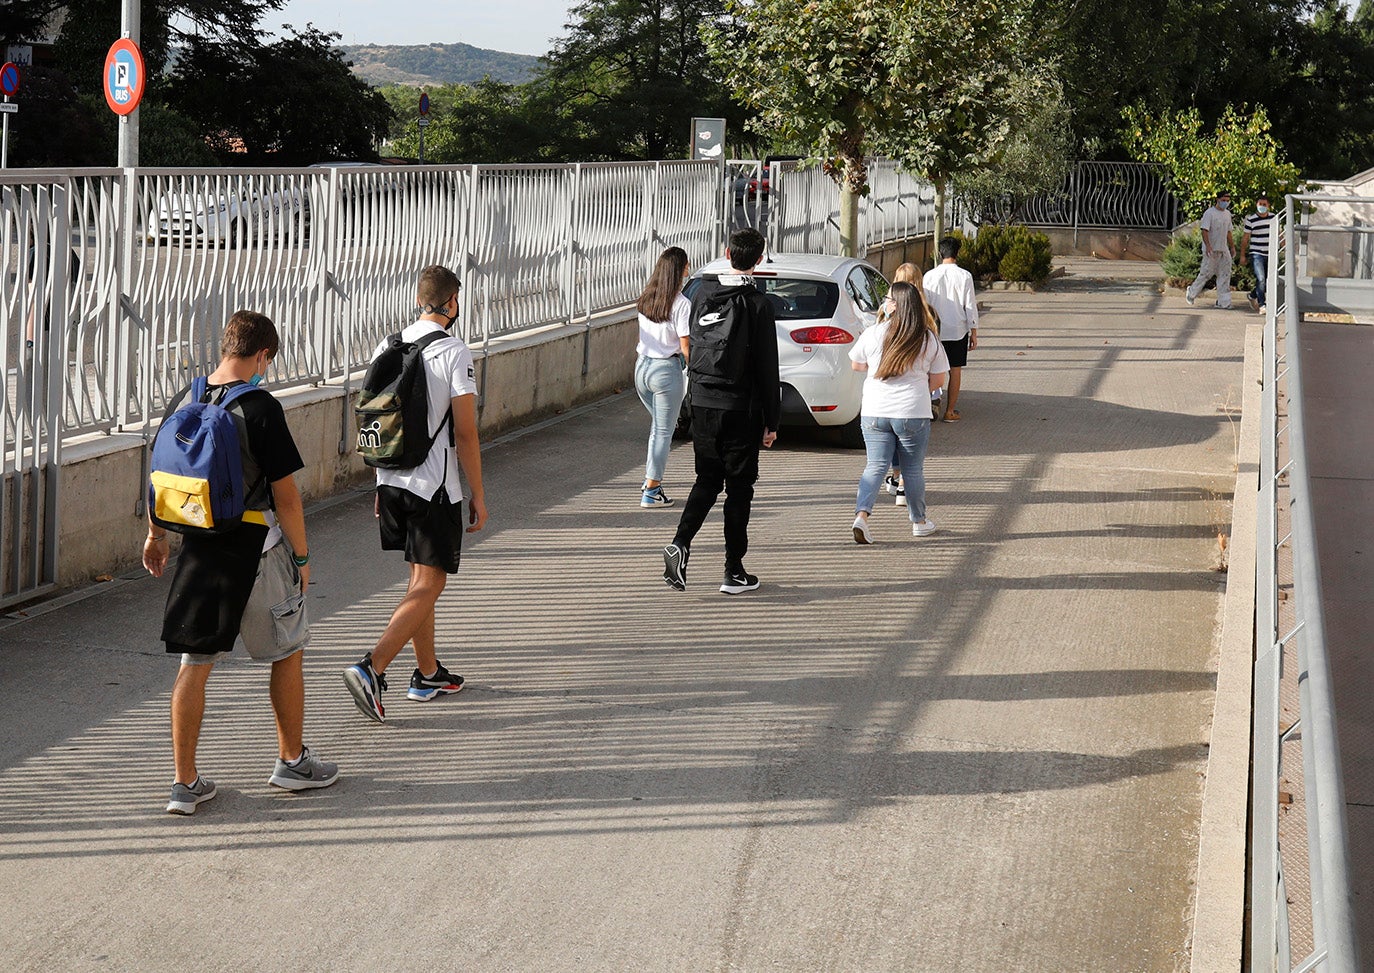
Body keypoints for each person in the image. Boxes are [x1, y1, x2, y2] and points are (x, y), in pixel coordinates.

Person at [143, 309, 338, 815]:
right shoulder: (260, 406)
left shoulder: (184, 397)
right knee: (287, 649)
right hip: (259, 547)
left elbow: (163, 473)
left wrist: (156, 535)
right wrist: (302, 556)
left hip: (200, 550)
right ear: (262, 355)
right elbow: (287, 497)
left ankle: (184, 784)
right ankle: (292, 762)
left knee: (194, 665)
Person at [343, 265, 488, 724]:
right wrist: (477, 494)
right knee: (432, 582)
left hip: (391, 482)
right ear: (450, 302)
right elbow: (465, 433)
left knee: (418, 580)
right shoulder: (454, 352)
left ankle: (427, 673)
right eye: (458, 300)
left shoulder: (388, 345)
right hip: (433, 487)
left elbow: (377, 421)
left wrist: (380, 481)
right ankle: (372, 667)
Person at [662, 227, 779, 595]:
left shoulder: (703, 294)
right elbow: (767, 368)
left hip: (702, 402)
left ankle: (680, 543)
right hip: (739, 409)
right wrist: (771, 421)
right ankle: (734, 571)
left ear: (727, 252)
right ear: (758, 260)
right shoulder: (758, 304)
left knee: (707, 480)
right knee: (739, 489)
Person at [849, 282, 949, 542]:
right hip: (912, 412)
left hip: (874, 411)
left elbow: (856, 364)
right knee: (912, 469)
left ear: (893, 304)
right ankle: (919, 522)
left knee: (875, 466)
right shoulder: (927, 338)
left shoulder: (873, 333)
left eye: (887, 298)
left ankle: (862, 516)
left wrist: (877, 368)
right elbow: (939, 380)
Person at [877, 262, 942, 504]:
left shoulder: (885, 311)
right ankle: (904, 482)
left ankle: (895, 475)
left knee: (892, 436)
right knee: (912, 439)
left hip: (889, 382)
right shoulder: (930, 313)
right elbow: (937, 351)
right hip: (919, 385)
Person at [633, 247, 691, 508]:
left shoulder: (646, 297)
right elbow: (686, 346)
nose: (690, 268)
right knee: (662, 433)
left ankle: (653, 483)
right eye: (687, 265)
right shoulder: (681, 304)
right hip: (666, 372)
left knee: (658, 429)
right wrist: (696, 371)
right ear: (679, 270)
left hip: (642, 370)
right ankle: (651, 490)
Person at [923, 238, 979, 422]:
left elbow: (927, 306)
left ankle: (929, 406)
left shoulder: (929, 276)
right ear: (957, 253)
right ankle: (950, 411)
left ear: (939, 253)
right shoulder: (965, 276)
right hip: (957, 330)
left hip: (934, 330)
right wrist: (974, 332)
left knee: (930, 369)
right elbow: (970, 305)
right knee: (955, 369)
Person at [1185, 191, 1235, 309]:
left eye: (1227, 201)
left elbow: (1228, 232)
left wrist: (1232, 246)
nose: (1225, 203)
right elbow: (1204, 230)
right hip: (1211, 249)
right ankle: (1191, 293)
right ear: (1217, 200)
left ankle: (1224, 302)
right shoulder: (1209, 213)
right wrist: (1208, 245)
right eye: (1223, 200)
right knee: (1206, 273)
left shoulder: (1227, 214)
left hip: (1223, 249)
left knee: (1225, 274)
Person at [1240, 194, 1274, 314]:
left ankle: (1253, 295)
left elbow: (1279, 234)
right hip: (1256, 253)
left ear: (1268, 205)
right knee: (1261, 278)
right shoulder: (1251, 219)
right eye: (1260, 204)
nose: (1262, 207)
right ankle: (1262, 304)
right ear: (1256, 205)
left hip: (1270, 253)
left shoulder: (1273, 218)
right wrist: (1242, 255)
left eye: (1264, 205)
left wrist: (1283, 245)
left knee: (1266, 280)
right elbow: (1245, 238)